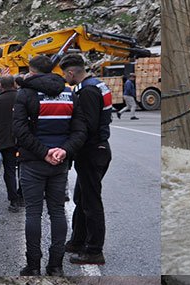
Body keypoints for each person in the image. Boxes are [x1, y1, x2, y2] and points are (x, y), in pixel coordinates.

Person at [12, 55, 88, 276]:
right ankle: (55, 266)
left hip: (33, 162)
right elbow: (80, 130)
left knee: (33, 214)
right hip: (60, 163)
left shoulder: (25, 94)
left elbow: (20, 131)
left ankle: (33, 266)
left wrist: (44, 153)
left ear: (31, 71)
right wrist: (63, 150)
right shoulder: (69, 93)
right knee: (57, 212)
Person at [60, 54, 112, 266]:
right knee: (81, 200)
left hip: (92, 152)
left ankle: (94, 251)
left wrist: (68, 147)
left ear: (71, 72)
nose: (64, 77)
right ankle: (78, 241)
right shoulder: (95, 85)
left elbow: (87, 127)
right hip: (94, 151)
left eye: (65, 74)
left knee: (91, 203)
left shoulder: (88, 91)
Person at [0, 76, 23, 211]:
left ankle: (13, 199)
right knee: (24, 168)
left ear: (1, 86)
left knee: (9, 171)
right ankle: (23, 196)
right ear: (14, 84)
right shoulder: (22, 97)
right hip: (22, 140)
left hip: (5, 141)